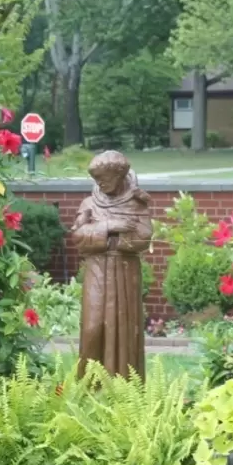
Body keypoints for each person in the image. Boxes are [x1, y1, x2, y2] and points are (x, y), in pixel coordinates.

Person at [72, 150, 152, 378]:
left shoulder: (137, 204)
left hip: (126, 272)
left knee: (124, 331)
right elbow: (78, 237)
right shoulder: (88, 203)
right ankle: (88, 387)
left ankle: (124, 391)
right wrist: (109, 226)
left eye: (104, 179)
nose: (100, 184)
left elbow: (143, 238)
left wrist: (121, 241)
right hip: (96, 269)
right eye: (96, 180)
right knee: (92, 328)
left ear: (119, 176)